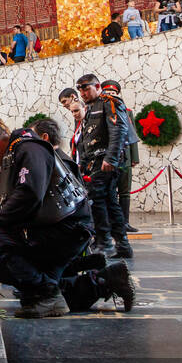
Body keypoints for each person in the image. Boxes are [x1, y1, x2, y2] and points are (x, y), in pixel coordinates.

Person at [0, 120, 133, 317]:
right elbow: (10, 203)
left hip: (67, 229)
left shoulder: (28, 148)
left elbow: (28, 194)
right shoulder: (15, 152)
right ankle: (106, 280)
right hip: (55, 227)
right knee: (34, 293)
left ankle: (49, 293)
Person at [75, 74, 133, 259]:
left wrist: (111, 158)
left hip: (105, 161)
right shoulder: (91, 107)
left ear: (97, 86)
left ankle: (105, 242)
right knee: (109, 201)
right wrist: (82, 163)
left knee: (97, 200)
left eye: (86, 88)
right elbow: (86, 139)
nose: (83, 93)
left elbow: (119, 130)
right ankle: (122, 245)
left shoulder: (110, 102)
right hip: (94, 161)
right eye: (80, 89)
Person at [101, 79, 139, 233]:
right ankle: (110, 223)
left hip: (126, 157)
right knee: (109, 192)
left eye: (113, 93)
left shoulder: (127, 111)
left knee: (124, 191)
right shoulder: (100, 111)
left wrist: (134, 157)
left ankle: (125, 222)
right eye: (107, 93)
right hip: (108, 157)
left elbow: (132, 135)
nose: (111, 95)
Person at [58, 87, 85, 162]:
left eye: (64, 101)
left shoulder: (88, 113)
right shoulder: (76, 118)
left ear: (73, 96)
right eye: (73, 112)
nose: (63, 105)